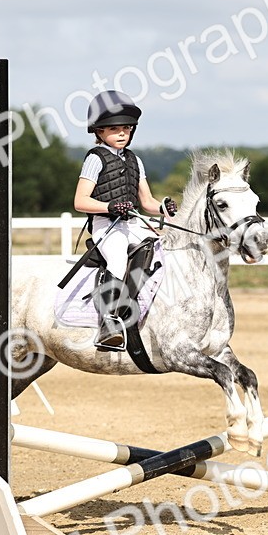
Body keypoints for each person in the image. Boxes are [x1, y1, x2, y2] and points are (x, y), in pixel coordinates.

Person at [74, 90, 178, 351]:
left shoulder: (135, 160)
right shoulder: (95, 159)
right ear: (98, 132)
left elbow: (147, 202)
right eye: (114, 129)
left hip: (131, 222)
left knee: (160, 249)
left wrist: (164, 207)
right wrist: (109, 206)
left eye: (126, 128)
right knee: (118, 258)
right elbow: (80, 201)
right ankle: (108, 323)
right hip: (105, 225)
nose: (122, 133)